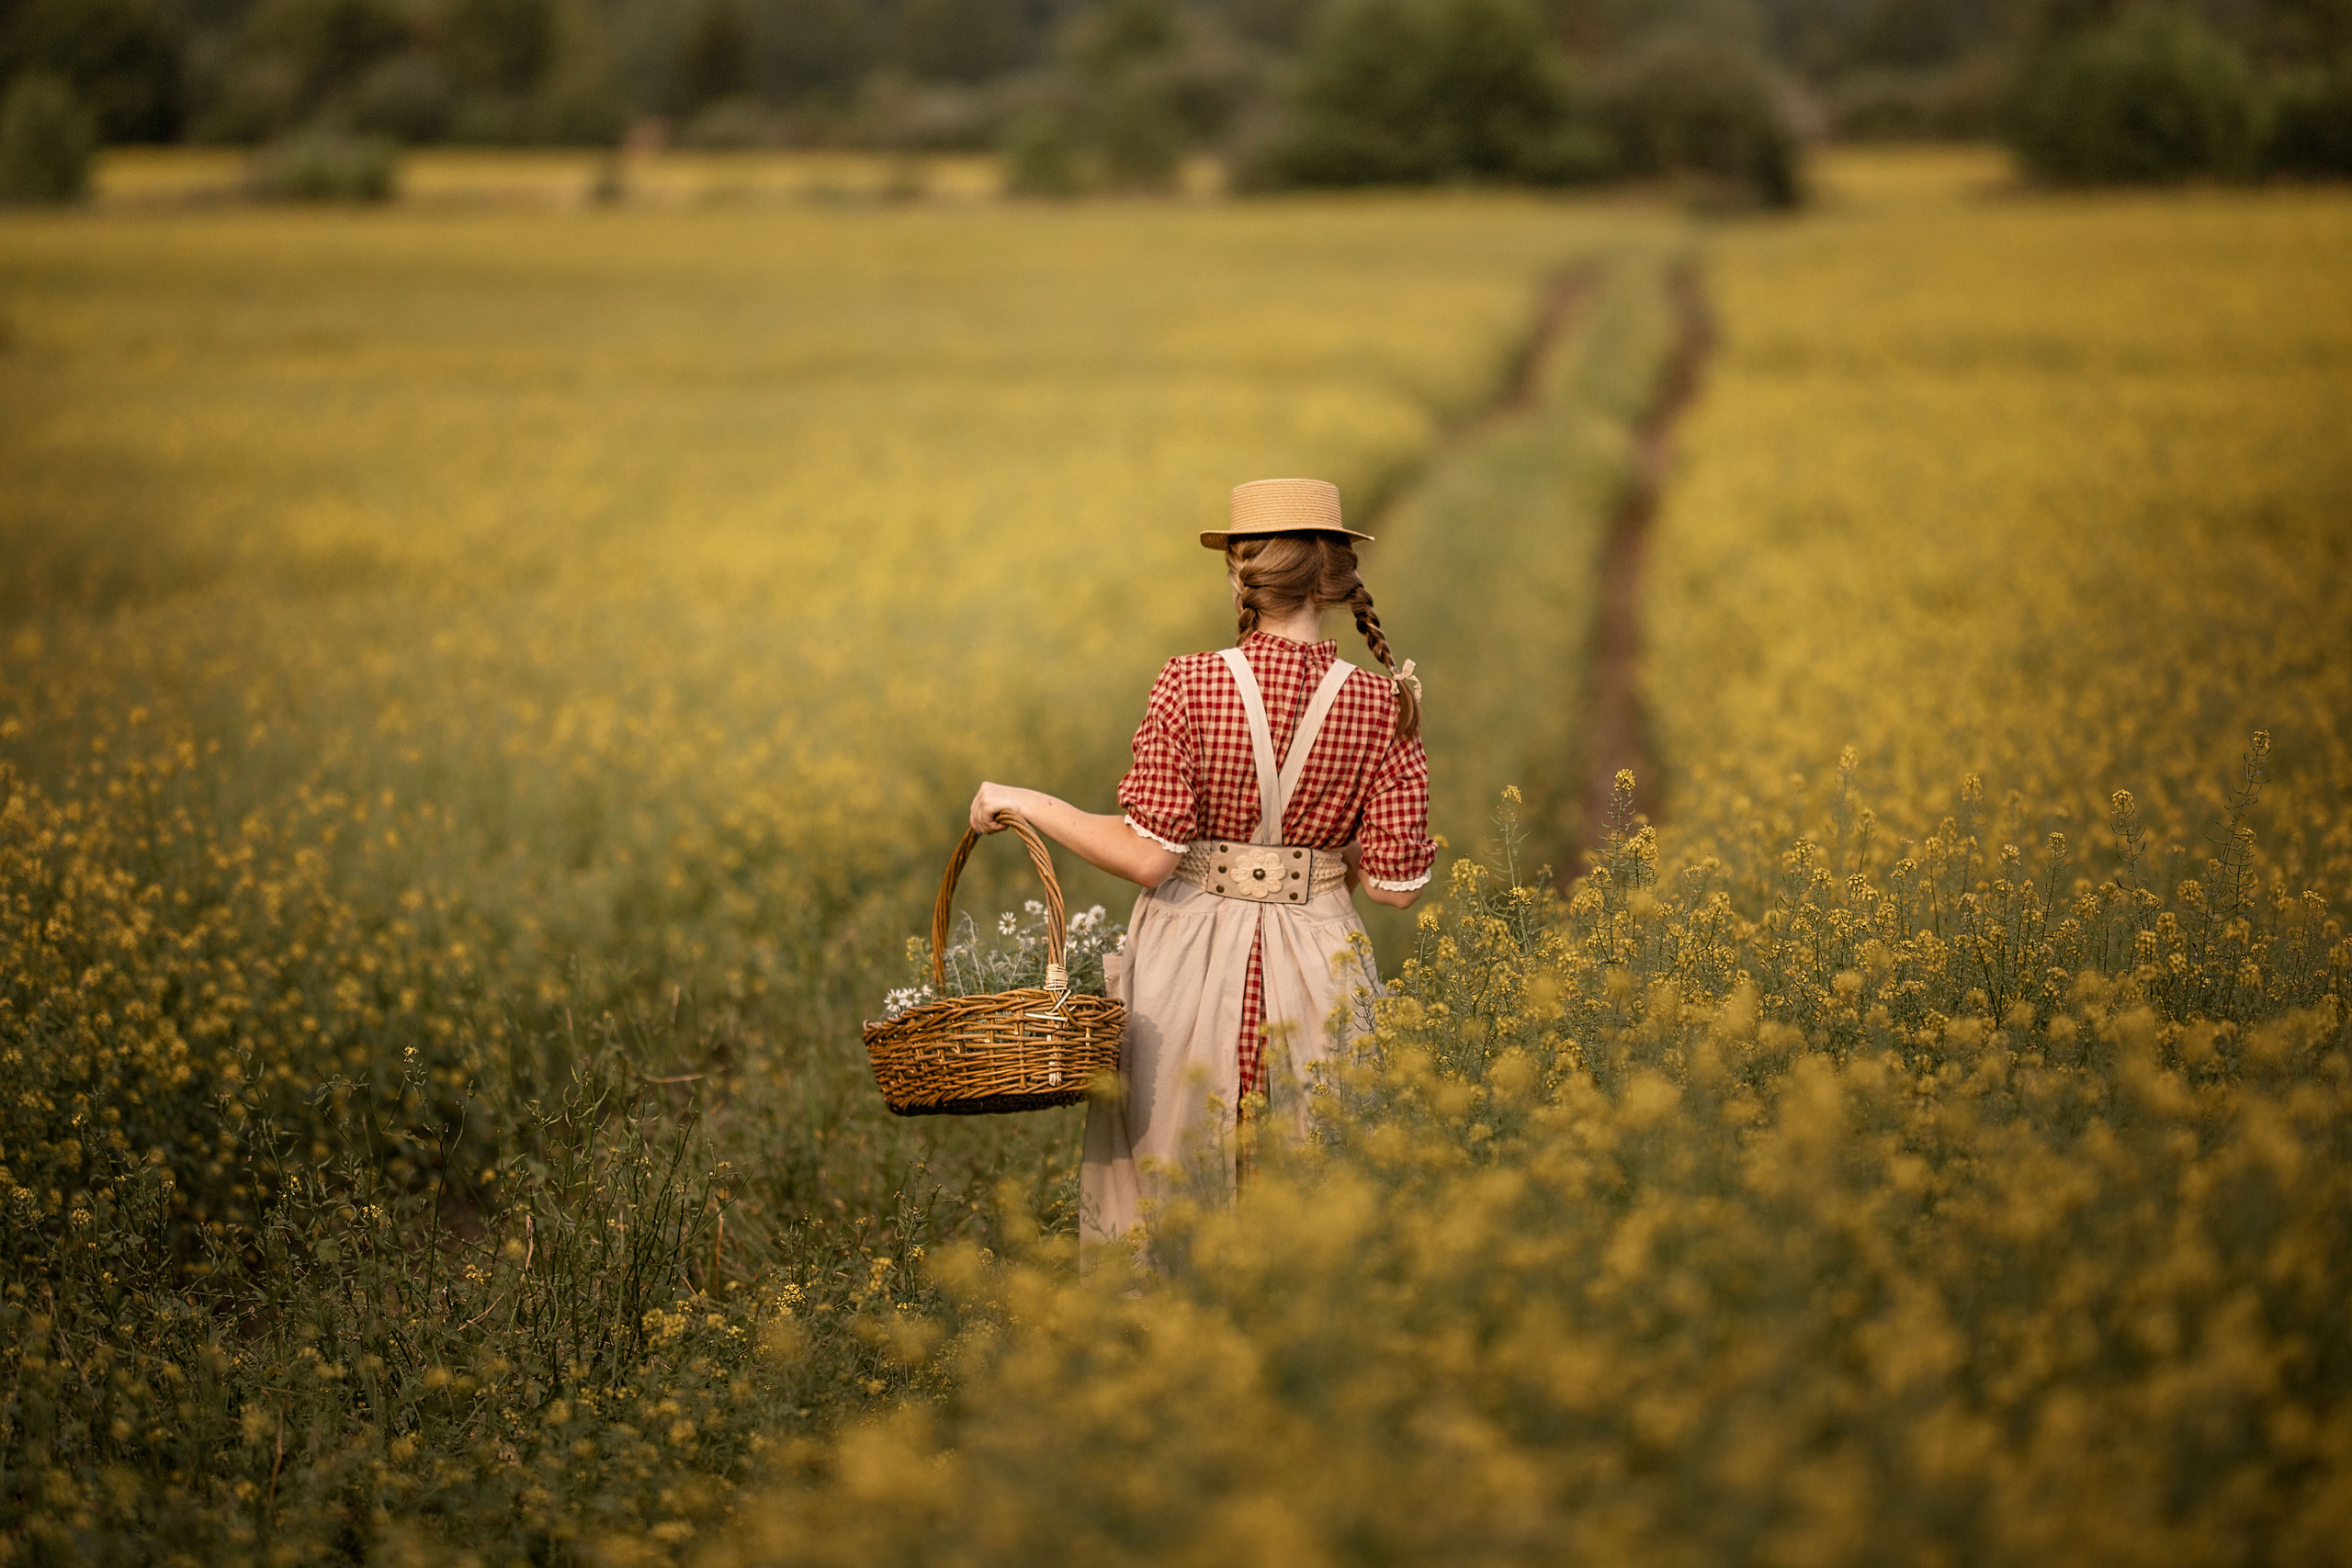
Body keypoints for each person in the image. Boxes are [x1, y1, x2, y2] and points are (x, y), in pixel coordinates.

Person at [967, 477, 1436, 1253]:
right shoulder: (1386, 703)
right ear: (1337, 575)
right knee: (1314, 1189)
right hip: (1321, 959)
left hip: (1188, 960)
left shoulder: (1190, 682)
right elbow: (1393, 887)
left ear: (1239, 574)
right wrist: (1308, 858)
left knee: (1172, 1190)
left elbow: (1151, 859)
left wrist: (1025, 802)